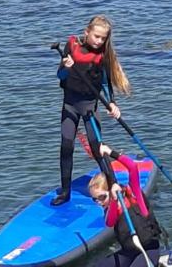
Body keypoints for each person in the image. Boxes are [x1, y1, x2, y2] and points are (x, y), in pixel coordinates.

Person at [52, 15, 131, 206]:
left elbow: (105, 82)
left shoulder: (102, 56)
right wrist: (67, 67)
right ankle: (65, 192)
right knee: (66, 147)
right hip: (69, 105)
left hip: (89, 107)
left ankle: (113, 185)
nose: (99, 41)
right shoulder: (72, 46)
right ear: (86, 32)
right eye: (96, 36)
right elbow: (59, 75)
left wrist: (111, 103)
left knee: (98, 149)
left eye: (103, 38)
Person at [89, 143, 162, 267]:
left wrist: (111, 152)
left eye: (102, 197)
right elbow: (109, 223)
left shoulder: (135, 195)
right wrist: (113, 200)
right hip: (129, 252)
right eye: (95, 199)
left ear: (109, 191)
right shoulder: (110, 208)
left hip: (149, 249)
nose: (99, 202)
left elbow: (132, 167)